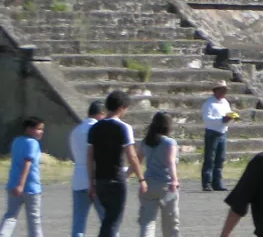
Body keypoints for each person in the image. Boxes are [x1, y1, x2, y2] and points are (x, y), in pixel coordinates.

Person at [90, 90, 145, 237]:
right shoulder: (123, 127)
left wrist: (91, 182)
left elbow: (89, 157)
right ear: (121, 107)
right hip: (116, 178)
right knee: (113, 220)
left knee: (108, 219)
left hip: (100, 178)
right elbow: (132, 155)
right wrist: (141, 178)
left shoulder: (95, 127)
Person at [0, 117, 44, 237]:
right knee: (34, 219)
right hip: (30, 187)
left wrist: (17, 184)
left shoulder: (17, 141)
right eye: (39, 129)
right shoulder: (33, 143)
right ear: (29, 129)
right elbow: (27, 162)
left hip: (13, 184)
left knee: (10, 216)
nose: (41, 132)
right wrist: (21, 185)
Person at [137, 112, 180, 237]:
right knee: (170, 223)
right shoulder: (169, 142)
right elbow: (170, 161)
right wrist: (174, 180)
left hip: (148, 183)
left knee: (147, 222)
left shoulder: (146, 142)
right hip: (165, 184)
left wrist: (128, 175)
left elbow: (137, 161)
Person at [70, 100, 105, 237]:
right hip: (96, 176)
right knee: (107, 220)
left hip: (78, 176)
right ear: (101, 113)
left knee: (78, 223)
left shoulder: (76, 130)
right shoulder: (99, 129)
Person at [202, 80, 235, 191]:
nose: (224, 92)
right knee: (210, 159)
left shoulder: (225, 102)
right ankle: (207, 182)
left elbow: (229, 114)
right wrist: (221, 120)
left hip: (222, 132)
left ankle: (217, 183)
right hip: (212, 132)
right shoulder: (209, 103)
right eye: (222, 90)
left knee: (220, 159)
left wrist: (231, 119)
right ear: (216, 90)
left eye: (225, 90)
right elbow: (207, 119)